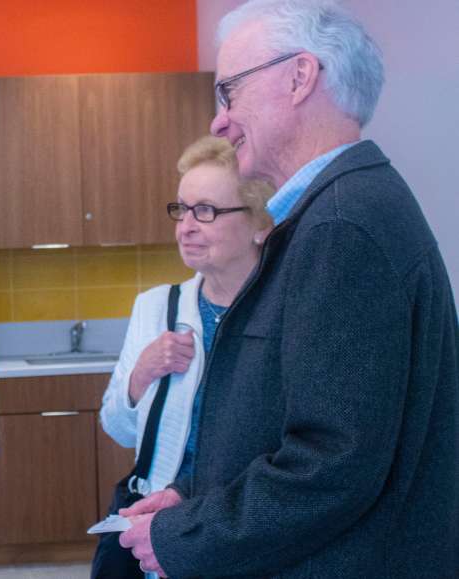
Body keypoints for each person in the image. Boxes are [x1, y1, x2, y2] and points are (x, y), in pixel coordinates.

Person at [119, 1, 459, 577]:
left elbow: (330, 464)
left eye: (229, 91)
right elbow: (286, 417)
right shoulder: (341, 210)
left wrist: (189, 534)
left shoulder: (340, 227)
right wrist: (193, 492)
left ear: (300, 77)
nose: (218, 121)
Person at [93, 136, 273, 579]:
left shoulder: (282, 313)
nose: (185, 226)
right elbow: (117, 428)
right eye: (181, 209)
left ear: (258, 223)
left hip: (241, 531)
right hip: (153, 524)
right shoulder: (156, 307)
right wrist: (142, 373)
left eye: (206, 210)